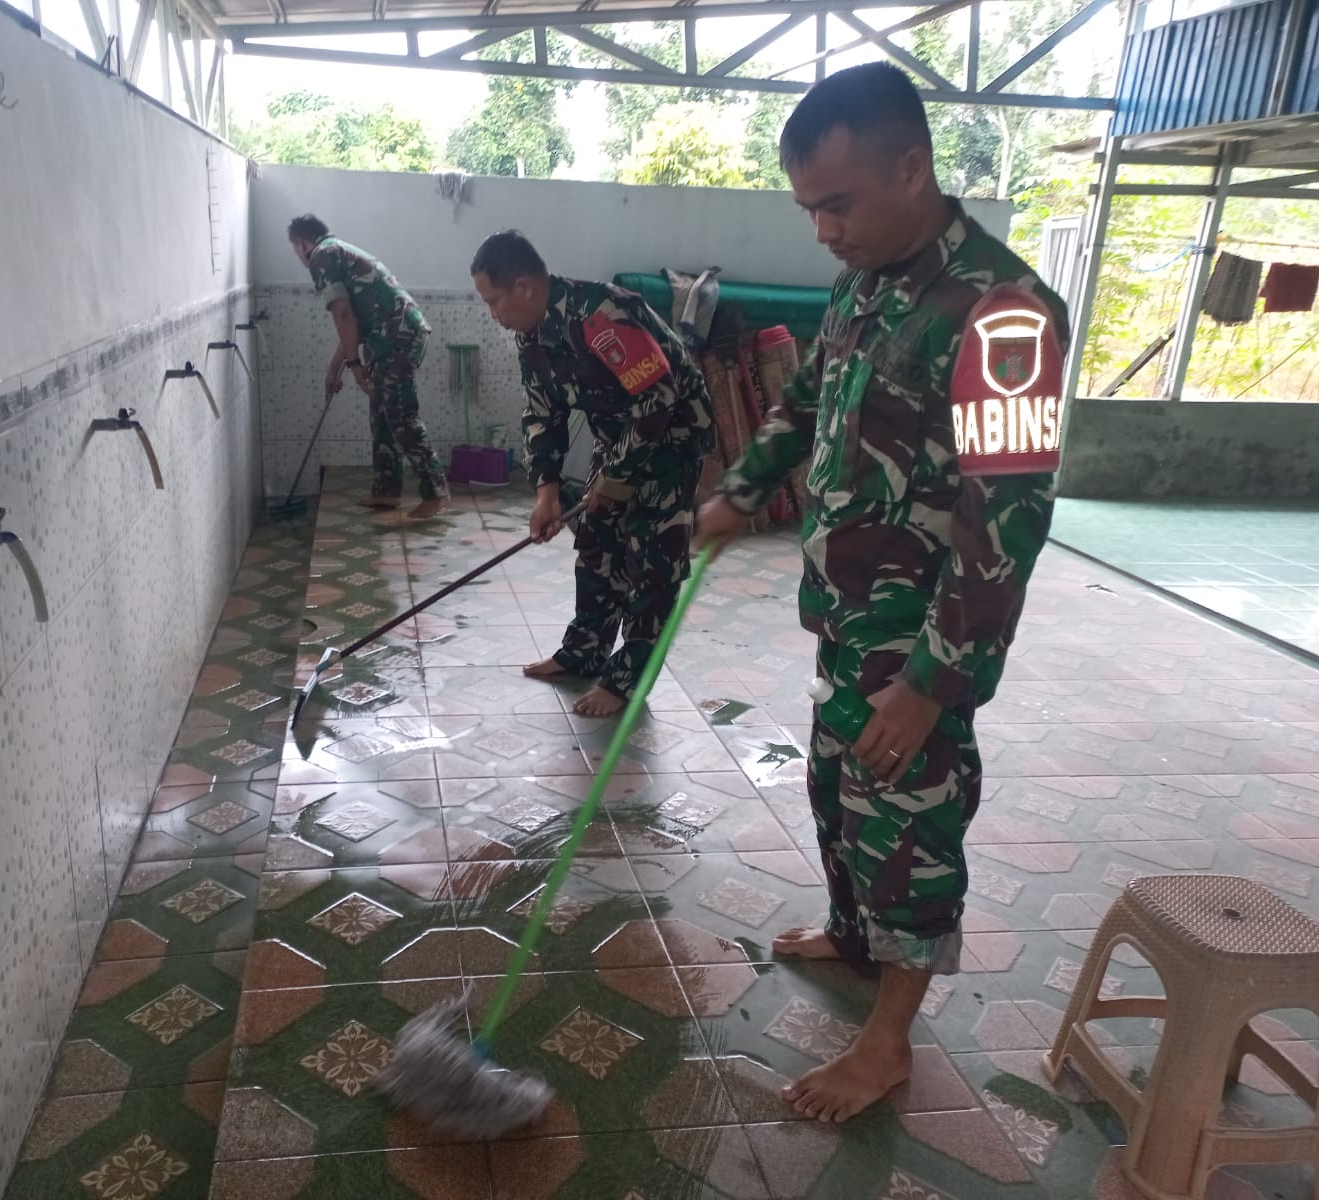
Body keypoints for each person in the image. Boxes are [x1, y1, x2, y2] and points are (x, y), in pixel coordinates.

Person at [694, 62, 1069, 1123]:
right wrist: (740, 491)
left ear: (912, 166)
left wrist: (933, 686)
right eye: (809, 208)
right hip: (846, 623)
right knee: (834, 795)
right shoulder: (867, 280)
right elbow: (807, 394)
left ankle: (890, 1041)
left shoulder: (1003, 318)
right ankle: (852, 938)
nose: (823, 230)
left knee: (906, 826)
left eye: (837, 203)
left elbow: (1008, 526)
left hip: (919, 646)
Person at [471, 231, 715, 717]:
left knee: (652, 554)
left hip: (674, 436)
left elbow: (657, 398)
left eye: (494, 301)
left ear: (523, 287)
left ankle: (627, 679)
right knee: (597, 537)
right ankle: (584, 650)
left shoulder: (602, 313)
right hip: (623, 435)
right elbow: (542, 414)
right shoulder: (532, 335)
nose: (493, 314)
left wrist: (615, 479)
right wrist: (547, 492)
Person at [288, 215, 450, 519]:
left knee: (401, 414)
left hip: (396, 340)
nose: (297, 256)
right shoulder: (338, 251)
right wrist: (334, 368)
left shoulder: (321, 257)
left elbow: (345, 317)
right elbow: (351, 324)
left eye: (295, 249)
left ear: (301, 243)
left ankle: (436, 492)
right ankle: (387, 491)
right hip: (391, 337)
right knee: (382, 415)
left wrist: (354, 365)